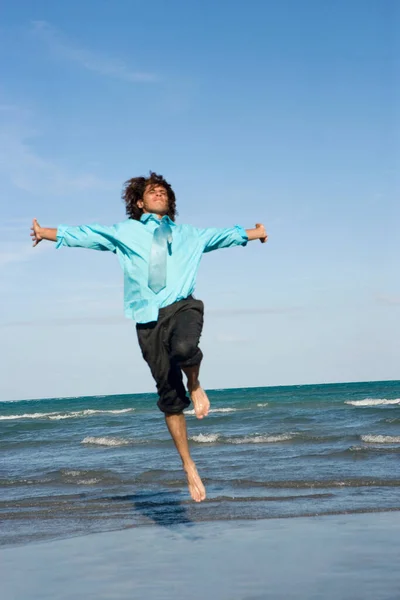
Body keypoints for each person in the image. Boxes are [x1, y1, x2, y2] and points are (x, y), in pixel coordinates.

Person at [31, 172, 267, 502]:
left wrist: (257, 232)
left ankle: (195, 383)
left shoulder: (189, 235)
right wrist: (46, 233)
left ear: (170, 201)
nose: (159, 194)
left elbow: (227, 235)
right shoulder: (124, 232)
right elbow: (86, 234)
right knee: (169, 398)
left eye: (163, 191)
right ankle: (188, 465)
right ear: (139, 202)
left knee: (185, 347)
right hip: (147, 318)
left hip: (183, 306)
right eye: (151, 191)